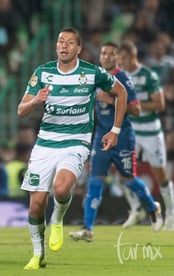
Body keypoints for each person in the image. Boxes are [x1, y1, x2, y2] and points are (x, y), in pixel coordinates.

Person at [17, 27, 128, 270]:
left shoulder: (91, 72)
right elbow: (21, 110)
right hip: (45, 143)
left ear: (79, 48)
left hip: (76, 141)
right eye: (60, 42)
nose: (63, 46)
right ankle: (38, 254)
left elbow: (121, 92)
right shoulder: (43, 72)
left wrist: (115, 130)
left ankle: (57, 217)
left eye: (69, 42)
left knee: (61, 187)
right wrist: (36, 100)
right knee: (36, 204)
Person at [68, 42, 163, 243]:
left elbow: (136, 110)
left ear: (117, 58)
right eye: (104, 53)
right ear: (100, 56)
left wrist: (113, 101)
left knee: (129, 180)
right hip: (101, 139)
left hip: (122, 138)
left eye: (112, 54)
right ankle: (88, 229)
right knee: (95, 182)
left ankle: (153, 208)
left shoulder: (123, 79)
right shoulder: (95, 78)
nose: (107, 57)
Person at [119, 41, 174, 230]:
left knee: (160, 175)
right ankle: (136, 209)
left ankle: (171, 214)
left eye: (123, 58)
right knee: (124, 171)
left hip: (150, 132)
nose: (121, 61)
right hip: (130, 131)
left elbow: (159, 105)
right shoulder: (120, 76)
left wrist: (134, 107)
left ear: (133, 56)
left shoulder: (148, 76)